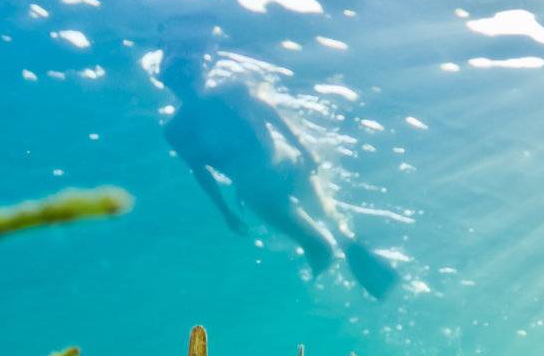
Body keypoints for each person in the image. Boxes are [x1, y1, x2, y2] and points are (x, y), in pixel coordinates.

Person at [159, 46, 401, 300]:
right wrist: (226, 213)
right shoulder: (177, 129)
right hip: (261, 193)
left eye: (188, 77)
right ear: (171, 85)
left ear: (200, 75)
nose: (186, 85)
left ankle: (360, 278)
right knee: (320, 249)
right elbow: (201, 172)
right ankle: (316, 299)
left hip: (288, 168)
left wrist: (304, 150)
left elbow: (270, 115)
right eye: (178, 81)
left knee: (335, 228)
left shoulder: (232, 94)